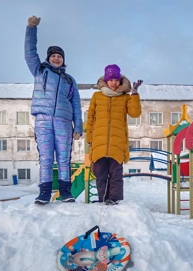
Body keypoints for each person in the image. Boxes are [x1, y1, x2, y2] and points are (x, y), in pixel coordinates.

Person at [25, 15, 82, 204]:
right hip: (43, 120)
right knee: (47, 157)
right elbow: (30, 52)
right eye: (53, 55)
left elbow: (75, 104)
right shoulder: (40, 71)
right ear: (49, 58)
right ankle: (44, 193)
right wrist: (31, 28)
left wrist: (78, 127)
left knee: (64, 157)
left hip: (64, 122)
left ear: (63, 60)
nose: (56, 58)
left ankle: (66, 191)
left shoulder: (69, 80)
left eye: (59, 56)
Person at [86, 64, 142, 205]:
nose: (114, 83)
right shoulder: (97, 96)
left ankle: (113, 199)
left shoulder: (125, 97)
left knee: (116, 175)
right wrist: (89, 138)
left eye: (116, 80)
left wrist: (134, 94)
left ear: (120, 81)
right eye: (111, 80)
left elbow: (135, 113)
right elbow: (91, 117)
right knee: (100, 175)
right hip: (99, 142)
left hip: (117, 143)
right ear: (106, 80)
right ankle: (102, 199)